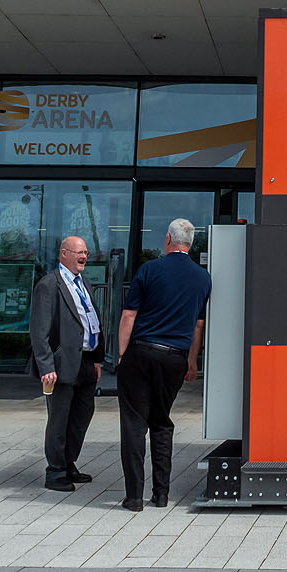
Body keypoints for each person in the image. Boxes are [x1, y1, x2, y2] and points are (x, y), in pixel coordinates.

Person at [115, 218, 214, 510]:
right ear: (190, 244)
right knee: (161, 421)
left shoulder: (149, 269)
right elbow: (198, 326)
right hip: (175, 358)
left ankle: (134, 497)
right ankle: (161, 494)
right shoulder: (203, 278)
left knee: (134, 424)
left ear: (168, 240)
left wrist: (122, 355)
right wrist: (191, 361)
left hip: (141, 352)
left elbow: (129, 316)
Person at [30, 234, 105, 490]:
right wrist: (46, 366)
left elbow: (92, 322)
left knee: (82, 414)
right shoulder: (49, 285)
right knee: (59, 419)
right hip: (61, 365)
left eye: (85, 253)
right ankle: (55, 471)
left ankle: (68, 462)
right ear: (64, 254)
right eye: (79, 252)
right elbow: (39, 330)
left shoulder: (84, 284)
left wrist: (97, 359)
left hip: (86, 361)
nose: (84, 257)